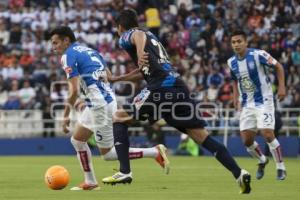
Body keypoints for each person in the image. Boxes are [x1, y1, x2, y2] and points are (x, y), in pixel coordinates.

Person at [103, 9, 251, 194]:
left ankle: (125, 171)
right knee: (201, 136)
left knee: (119, 117)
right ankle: (239, 173)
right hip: (179, 89)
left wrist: (139, 52)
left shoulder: (129, 34)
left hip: (161, 89)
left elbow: (137, 35)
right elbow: (144, 71)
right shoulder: (152, 38)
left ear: (120, 27)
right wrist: (118, 79)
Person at [49, 26, 170, 191]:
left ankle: (154, 152)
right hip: (99, 102)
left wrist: (65, 116)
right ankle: (90, 181)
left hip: (100, 106)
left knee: (108, 154)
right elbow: (109, 77)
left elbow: (74, 89)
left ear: (66, 40)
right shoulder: (91, 51)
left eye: (56, 43)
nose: (53, 47)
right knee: (77, 141)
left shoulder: (68, 56)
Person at [227, 30, 287, 180]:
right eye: (233, 42)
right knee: (247, 141)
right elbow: (235, 80)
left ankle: (280, 167)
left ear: (246, 42)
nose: (236, 44)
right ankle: (262, 160)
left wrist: (281, 87)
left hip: (264, 101)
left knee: (267, 133)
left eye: (239, 41)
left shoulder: (258, 54)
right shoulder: (231, 62)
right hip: (247, 103)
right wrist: (235, 98)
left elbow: (278, 66)